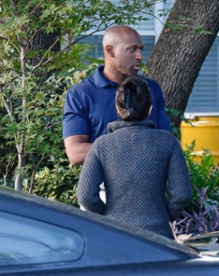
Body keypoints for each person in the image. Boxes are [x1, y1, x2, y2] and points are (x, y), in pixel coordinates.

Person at [77, 75, 191, 239]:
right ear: (150, 109)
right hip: (159, 237)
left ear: (118, 108)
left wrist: (108, 216)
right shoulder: (168, 142)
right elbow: (182, 194)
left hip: (115, 236)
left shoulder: (101, 145)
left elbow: (85, 196)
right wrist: (163, 216)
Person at [63, 25, 171, 166]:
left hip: (149, 184)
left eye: (140, 49)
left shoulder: (151, 88)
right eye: (132, 49)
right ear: (110, 50)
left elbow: (167, 144)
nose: (139, 56)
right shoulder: (80, 94)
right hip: (102, 185)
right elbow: (75, 153)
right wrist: (132, 147)